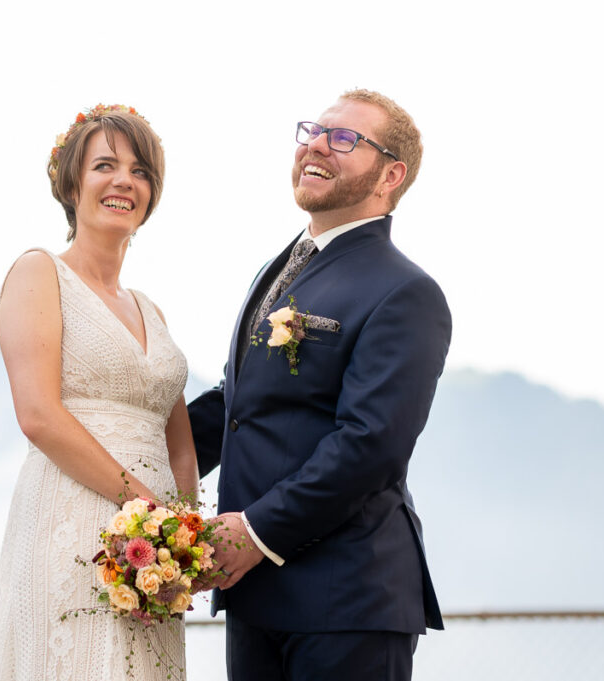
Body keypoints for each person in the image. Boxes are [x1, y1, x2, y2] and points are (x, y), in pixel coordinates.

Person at [188, 89, 451, 681]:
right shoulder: (277, 269)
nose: (316, 145)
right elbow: (237, 407)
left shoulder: (405, 292)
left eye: (344, 138)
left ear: (391, 174)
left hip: (347, 598)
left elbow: (370, 445)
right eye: (313, 130)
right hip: (255, 595)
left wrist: (254, 532)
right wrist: (126, 450)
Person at [0, 104, 199, 681]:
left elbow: (182, 447)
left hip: (155, 545)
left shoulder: (153, 309)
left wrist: (184, 537)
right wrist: (141, 504)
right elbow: (40, 416)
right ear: (72, 183)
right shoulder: (38, 273)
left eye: (141, 171)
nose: (125, 180)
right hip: (70, 520)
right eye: (105, 165)